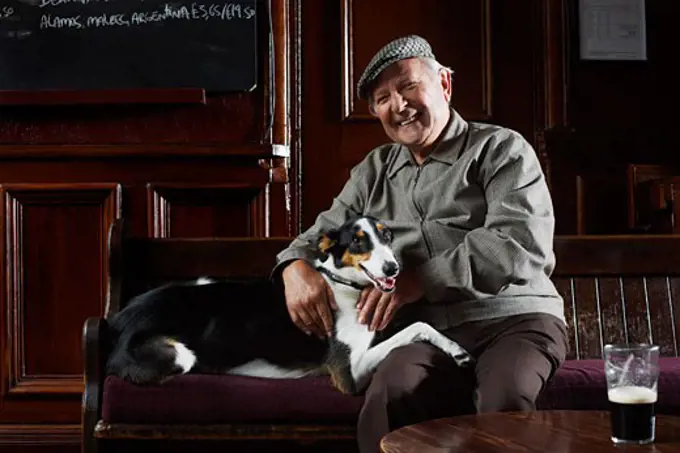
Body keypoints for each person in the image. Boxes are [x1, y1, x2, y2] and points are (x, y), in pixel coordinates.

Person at [272, 34, 568, 453]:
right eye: (383, 98)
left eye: (409, 86)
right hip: (424, 333)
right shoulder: (374, 171)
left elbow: (519, 242)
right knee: (389, 398)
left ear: (444, 84)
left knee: (504, 403)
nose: (399, 105)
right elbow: (323, 235)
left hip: (514, 320)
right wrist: (293, 266)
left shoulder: (500, 149)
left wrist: (420, 280)